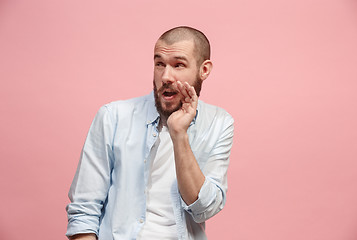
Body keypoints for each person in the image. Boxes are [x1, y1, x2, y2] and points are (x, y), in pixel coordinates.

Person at [66, 26, 234, 240]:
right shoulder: (113, 116)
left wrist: (179, 134)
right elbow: (83, 211)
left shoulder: (219, 123)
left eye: (178, 65)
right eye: (159, 64)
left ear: (204, 70)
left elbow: (205, 207)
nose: (166, 76)